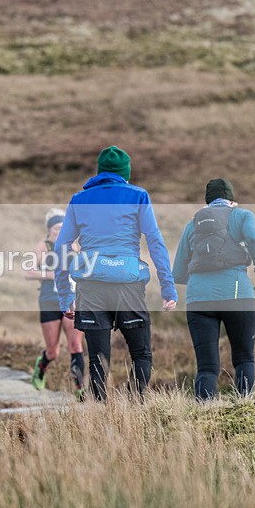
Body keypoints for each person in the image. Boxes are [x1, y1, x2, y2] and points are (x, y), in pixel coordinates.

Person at [54, 146, 178, 401]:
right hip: (128, 286)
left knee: (98, 362)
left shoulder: (79, 199)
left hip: (91, 287)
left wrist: (65, 297)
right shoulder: (138, 195)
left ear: (100, 171)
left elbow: (61, 247)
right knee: (141, 355)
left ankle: (101, 416)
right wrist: (168, 288)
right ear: (125, 173)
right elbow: (155, 241)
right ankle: (133, 408)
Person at [172, 178, 255, 400]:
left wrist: (201, 284)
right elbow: (253, 238)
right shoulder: (242, 215)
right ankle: (243, 409)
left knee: (206, 367)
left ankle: (204, 418)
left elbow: (177, 272)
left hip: (198, 301)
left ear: (208, 201)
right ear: (232, 199)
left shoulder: (192, 223)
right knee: (244, 359)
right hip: (237, 296)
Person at [25, 208, 85, 399]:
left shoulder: (75, 246)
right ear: (49, 230)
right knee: (53, 351)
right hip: (49, 300)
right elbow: (29, 271)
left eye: (63, 227)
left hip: (73, 300)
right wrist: (51, 275)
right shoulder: (43, 246)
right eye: (56, 228)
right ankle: (41, 366)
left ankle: (79, 389)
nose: (59, 231)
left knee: (75, 345)